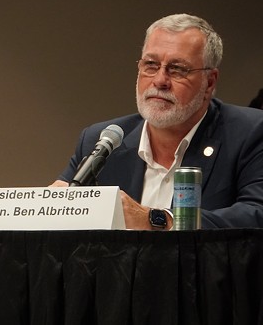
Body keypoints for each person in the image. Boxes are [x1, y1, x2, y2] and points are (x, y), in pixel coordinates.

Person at [52, 14, 263, 229]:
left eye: (178, 69)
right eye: (151, 65)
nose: (160, 80)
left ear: (209, 83)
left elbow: (256, 214)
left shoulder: (251, 132)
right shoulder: (101, 140)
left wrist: (158, 220)